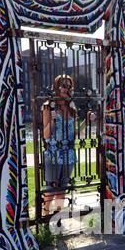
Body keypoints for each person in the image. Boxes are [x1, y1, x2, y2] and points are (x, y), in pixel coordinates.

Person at [42, 74, 77, 216]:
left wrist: (86, 120)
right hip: (53, 153)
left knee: (62, 188)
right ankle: (44, 214)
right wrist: (52, 121)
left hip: (68, 153)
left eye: (68, 86)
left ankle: (57, 216)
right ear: (56, 87)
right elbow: (45, 135)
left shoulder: (71, 107)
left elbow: (75, 134)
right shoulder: (48, 106)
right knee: (51, 187)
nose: (65, 88)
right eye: (63, 85)